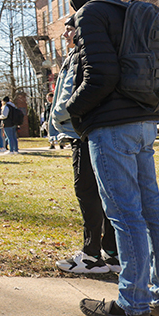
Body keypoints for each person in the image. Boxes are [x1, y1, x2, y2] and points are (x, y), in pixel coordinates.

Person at [62, 0, 159, 316]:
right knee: (151, 212)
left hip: (111, 128)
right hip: (143, 122)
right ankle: (156, 294)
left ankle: (132, 304)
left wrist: (74, 110)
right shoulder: (132, 11)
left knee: (125, 215)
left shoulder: (91, 13)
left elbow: (101, 75)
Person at [50, 15, 118, 275]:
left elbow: (69, 93)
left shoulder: (79, 56)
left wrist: (58, 117)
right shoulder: (92, 53)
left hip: (82, 133)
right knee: (104, 193)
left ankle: (91, 254)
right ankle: (112, 253)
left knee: (87, 192)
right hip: (94, 130)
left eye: (69, 30)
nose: (66, 35)